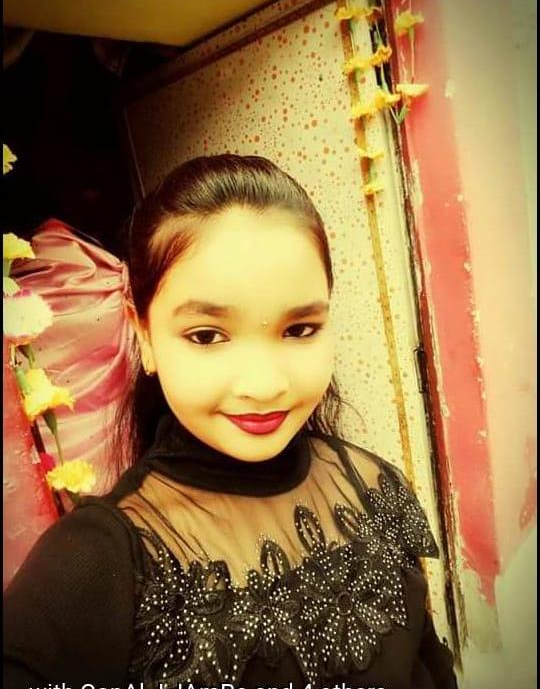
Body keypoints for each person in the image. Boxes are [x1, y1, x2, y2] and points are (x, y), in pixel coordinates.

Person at [4, 155, 458, 689]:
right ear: (143, 334)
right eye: (207, 336)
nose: (263, 385)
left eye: (300, 329)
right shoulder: (97, 562)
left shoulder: (375, 488)